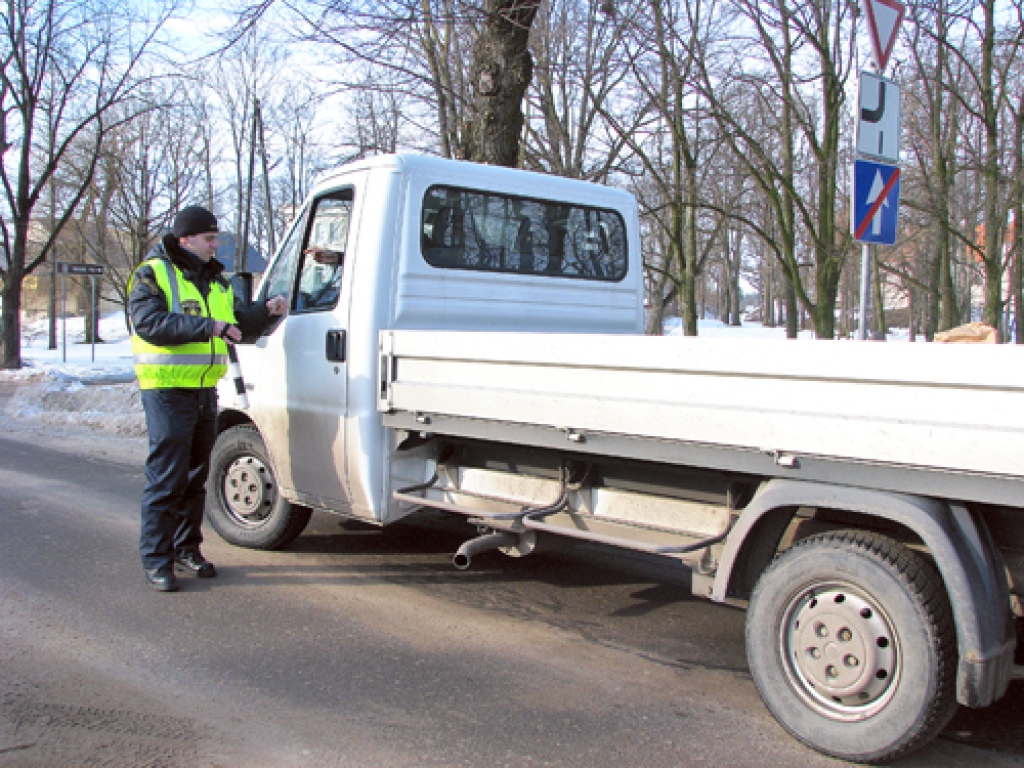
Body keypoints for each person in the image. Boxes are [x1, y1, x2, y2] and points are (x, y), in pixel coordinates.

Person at [129, 205, 286, 592]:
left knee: (196, 476)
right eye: (209, 238)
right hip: (166, 390)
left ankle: (187, 549)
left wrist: (265, 312)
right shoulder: (153, 273)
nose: (216, 245)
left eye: (215, 237)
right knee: (166, 478)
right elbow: (150, 324)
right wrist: (208, 326)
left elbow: (238, 326)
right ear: (185, 239)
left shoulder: (216, 282)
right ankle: (157, 559)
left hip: (203, 390)